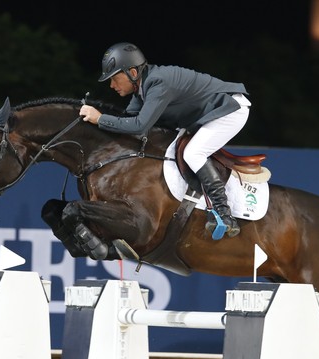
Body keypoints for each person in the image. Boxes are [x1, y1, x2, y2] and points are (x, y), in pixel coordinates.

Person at [79, 42, 251, 239]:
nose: (112, 86)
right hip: (207, 114)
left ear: (133, 72)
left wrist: (99, 118)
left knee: (193, 153)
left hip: (230, 109)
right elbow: (127, 121)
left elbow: (138, 126)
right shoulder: (141, 90)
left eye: (115, 79)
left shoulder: (158, 82)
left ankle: (224, 213)